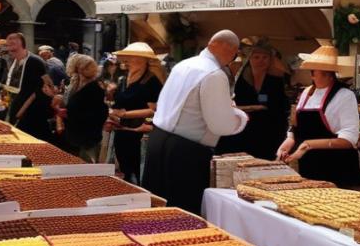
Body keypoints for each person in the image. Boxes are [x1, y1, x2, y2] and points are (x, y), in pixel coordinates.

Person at [143, 31, 248, 215]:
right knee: (182, 212)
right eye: (235, 53)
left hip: (159, 141)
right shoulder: (214, 74)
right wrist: (239, 116)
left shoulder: (184, 64)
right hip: (184, 151)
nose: (233, 58)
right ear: (228, 49)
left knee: (156, 209)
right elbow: (220, 125)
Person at [276, 44, 360, 189]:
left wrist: (308, 145)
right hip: (309, 168)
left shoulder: (344, 95)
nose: (324, 76)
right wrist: (287, 143)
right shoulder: (306, 93)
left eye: (327, 73)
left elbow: (348, 140)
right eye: (318, 72)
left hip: (337, 169)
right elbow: (295, 127)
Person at [216, 41, 290, 160]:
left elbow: (280, 106)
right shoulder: (238, 79)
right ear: (249, 59)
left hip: (268, 131)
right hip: (243, 129)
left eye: (265, 57)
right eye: (256, 57)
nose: (261, 60)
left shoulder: (275, 80)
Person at [109, 42, 164, 184]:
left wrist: (126, 115)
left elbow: (153, 110)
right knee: (125, 168)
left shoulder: (152, 81)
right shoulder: (123, 79)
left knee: (136, 170)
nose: (129, 61)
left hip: (138, 132)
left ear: (145, 61)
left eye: (134, 58)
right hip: (121, 129)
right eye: (128, 58)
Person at [3, 33, 52, 140]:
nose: (9, 44)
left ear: (21, 43)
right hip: (16, 107)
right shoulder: (13, 62)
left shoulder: (36, 61)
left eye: (13, 41)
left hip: (31, 112)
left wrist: (22, 109)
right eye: (8, 42)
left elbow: (46, 86)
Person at [63, 54, 109, 163]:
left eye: (90, 66)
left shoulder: (96, 87)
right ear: (77, 68)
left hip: (88, 136)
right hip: (73, 133)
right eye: (86, 67)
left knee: (86, 166)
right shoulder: (74, 83)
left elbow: (100, 114)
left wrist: (70, 114)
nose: (90, 69)